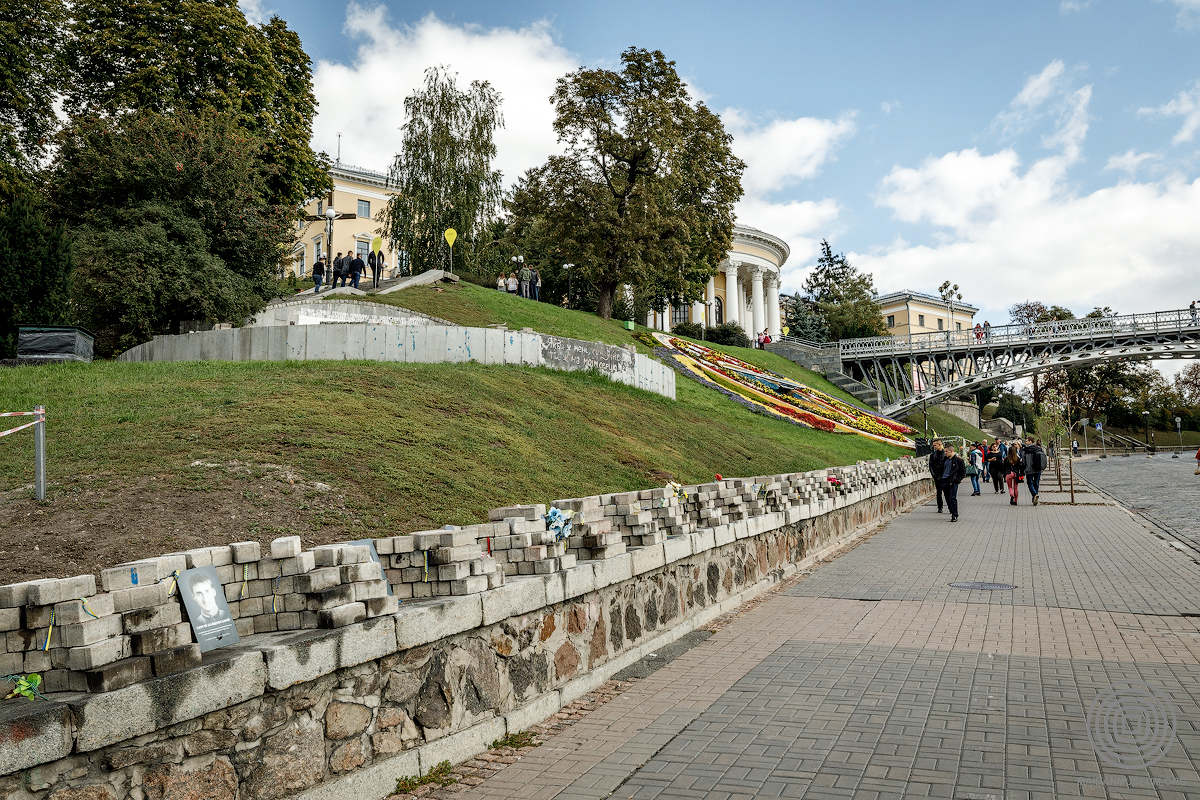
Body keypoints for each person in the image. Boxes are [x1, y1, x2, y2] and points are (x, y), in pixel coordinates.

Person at [939, 444, 966, 522]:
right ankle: (951, 509)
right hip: (944, 481)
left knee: (952, 498)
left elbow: (963, 472)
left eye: (946, 451)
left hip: (953, 482)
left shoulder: (958, 460)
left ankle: (955, 514)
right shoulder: (945, 460)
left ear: (951, 451)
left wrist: (957, 480)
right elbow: (941, 470)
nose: (945, 453)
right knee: (947, 498)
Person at [1022, 437, 1046, 505]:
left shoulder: (1026, 450)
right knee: (1036, 483)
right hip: (1038, 469)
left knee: (1030, 483)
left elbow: (1023, 461)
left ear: (1030, 441)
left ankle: (1034, 494)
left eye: (1026, 441)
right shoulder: (1039, 449)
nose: (1025, 442)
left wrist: (1023, 468)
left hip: (1029, 469)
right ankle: (1034, 498)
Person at [928, 438, 947, 513]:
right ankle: (940, 507)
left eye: (935, 445)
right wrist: (933, 474)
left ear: (940, 445)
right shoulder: (933, 455)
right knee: (938, 493)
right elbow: (930, 465)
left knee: (947, 493)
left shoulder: (945, 454)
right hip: (937, 476)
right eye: (933, 445)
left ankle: (950, 507)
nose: (934, 447)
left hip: (945, 476)